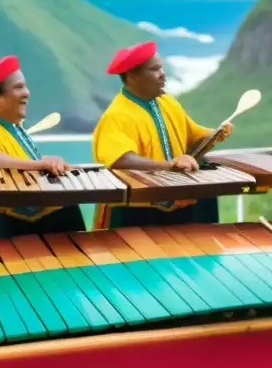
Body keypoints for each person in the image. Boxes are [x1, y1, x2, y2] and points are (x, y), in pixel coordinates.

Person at [91, 41, 231, 229]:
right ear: (133, 75)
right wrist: (169, 165)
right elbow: (121, 159)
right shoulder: (116, 115)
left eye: (162, 67)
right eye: (155, 69)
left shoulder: (167, 102)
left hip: (177, 199)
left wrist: (214, 134)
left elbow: (192, 136)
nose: (162, 74)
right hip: (139, 210)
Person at [0, 55, 86, 240]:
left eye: (25, 86)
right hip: (10, 228)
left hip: (31, 219)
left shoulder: (11, 127)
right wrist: (40, 165)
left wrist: (49, 161)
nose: (27, 93)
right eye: (18, 87)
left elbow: (19, 162)